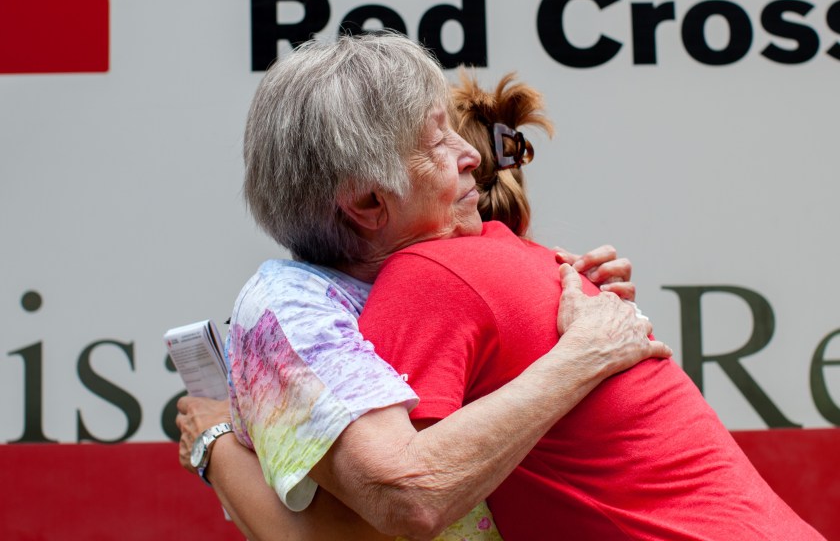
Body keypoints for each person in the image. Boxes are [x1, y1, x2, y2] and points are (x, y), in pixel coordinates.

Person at [179, 33, 822, 540]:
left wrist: (214, 443)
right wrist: (579, 354)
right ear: (369, 202)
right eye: (438, 139)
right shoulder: (429, 276)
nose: (471, 156)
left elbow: (393, 508)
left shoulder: (434, 272)